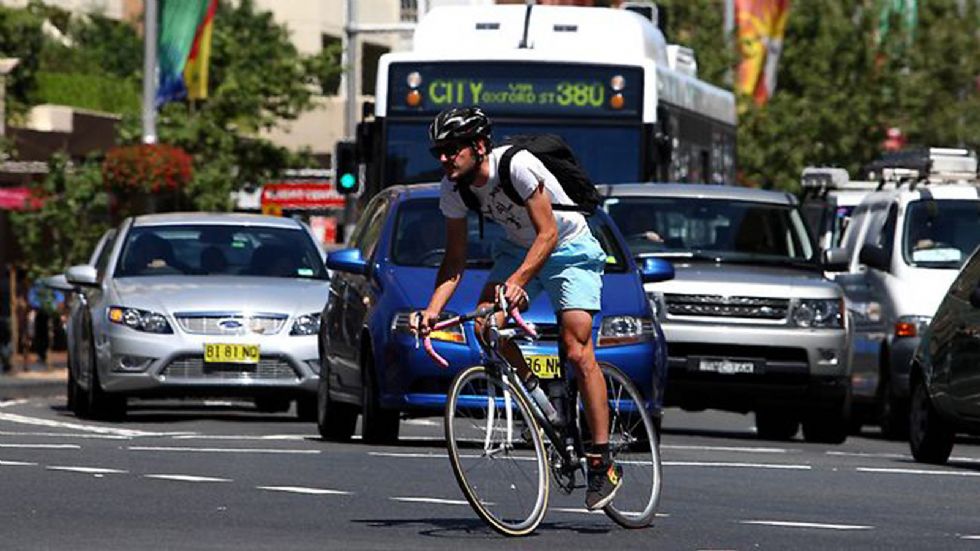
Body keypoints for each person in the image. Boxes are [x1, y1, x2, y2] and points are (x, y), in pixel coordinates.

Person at [412, 106, 621, 510]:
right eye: (438, 150)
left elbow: (548, 234)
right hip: (518, 249)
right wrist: (431, 310)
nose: (443, 158)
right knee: (485, 326)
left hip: (569, 247)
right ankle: (541, 400)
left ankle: (601, 460)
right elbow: (454, 261)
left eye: (452, 149)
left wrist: (518, 282)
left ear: (478, 146)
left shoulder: (518, 165)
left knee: (577, 349)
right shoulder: (452, 189)